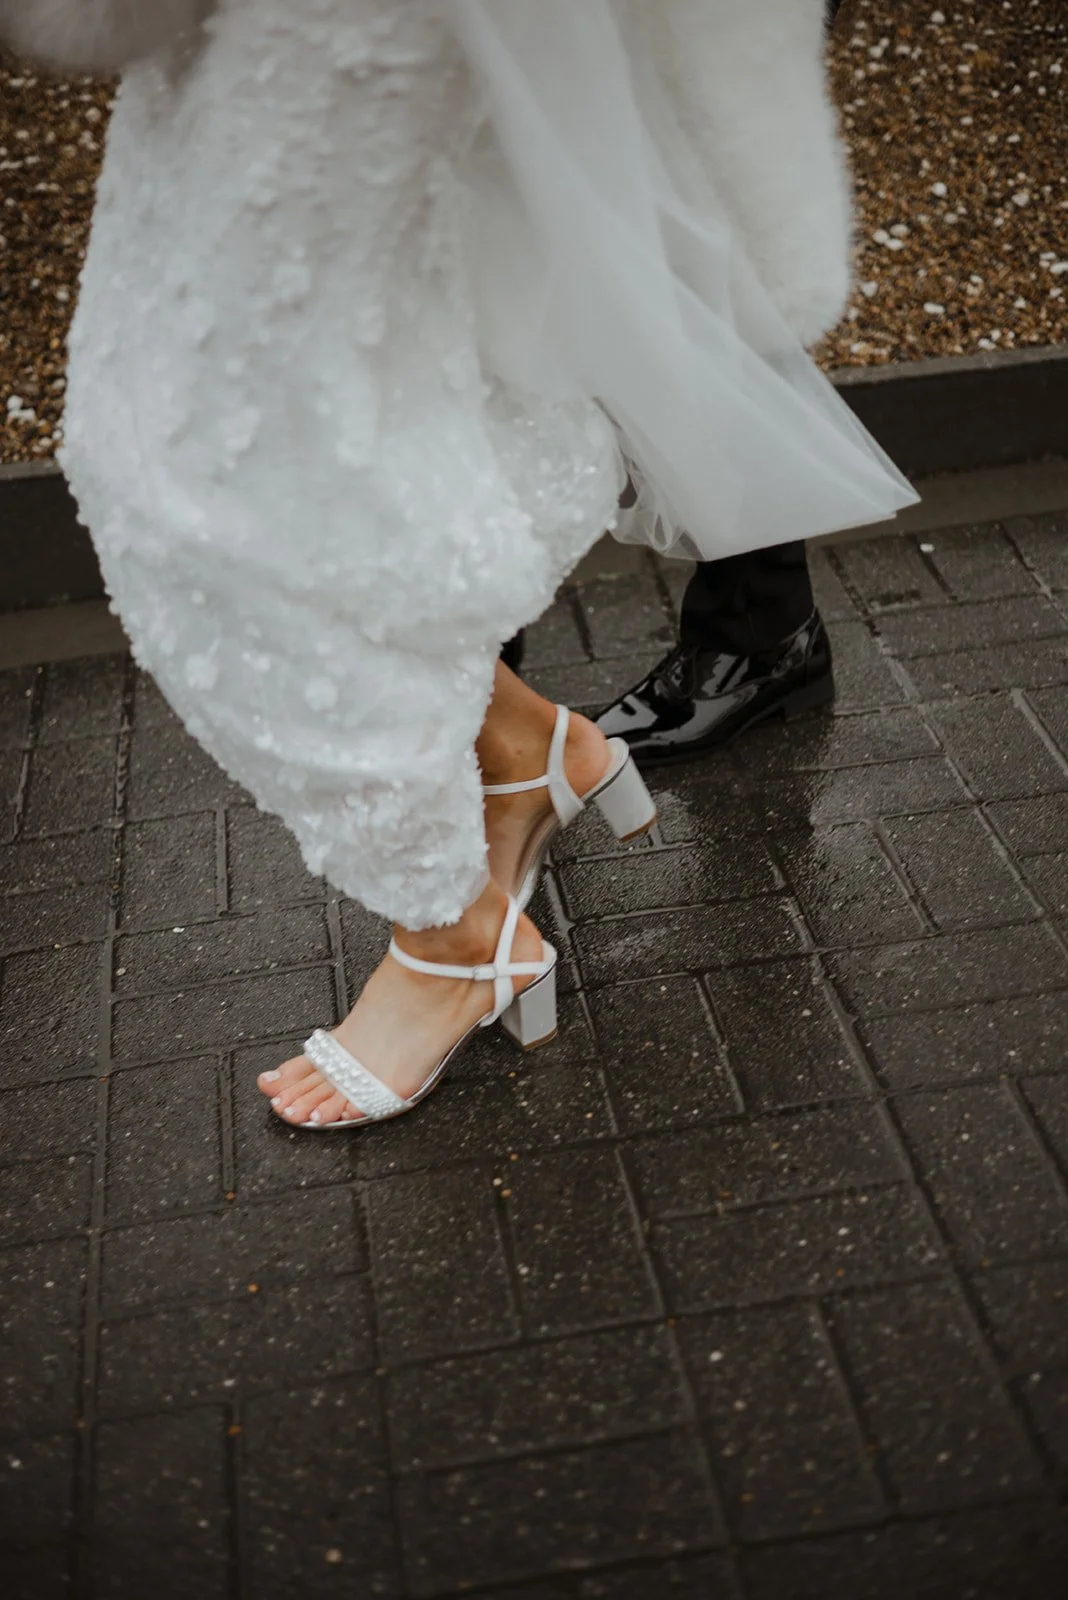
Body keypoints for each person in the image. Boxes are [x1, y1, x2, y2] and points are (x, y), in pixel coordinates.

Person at [4, 0, 914, 1131]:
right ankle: (517, 740)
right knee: (276, 428)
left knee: (240, 465)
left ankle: (455, 934)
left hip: (356, 46)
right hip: (243, 69)